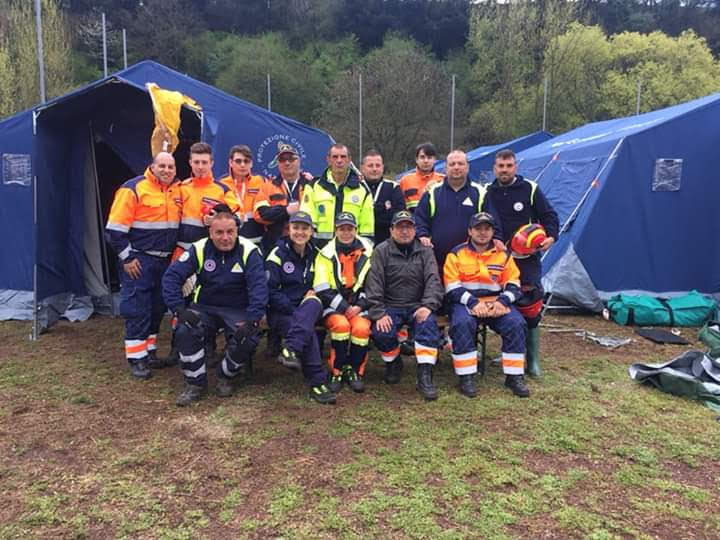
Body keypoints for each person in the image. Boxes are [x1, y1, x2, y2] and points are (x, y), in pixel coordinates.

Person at [162, 207, 268, 406]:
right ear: (210, 233)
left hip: (237, 309)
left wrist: (253, 319)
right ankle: (196, 383)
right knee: (184, 330)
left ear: (237, 231)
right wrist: (179, 309)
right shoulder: (199, 248)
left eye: (230, 232)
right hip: (204, 307)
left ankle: (225, 375)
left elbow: (259, 288)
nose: (225, 237)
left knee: (249, 337)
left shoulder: (250, 251)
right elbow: (171, 277)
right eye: (219, 232)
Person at [106, 152, 181, 379]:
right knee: (137, 308)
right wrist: (127, 258)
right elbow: (115, 229)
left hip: (165, 260)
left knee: (157, 307)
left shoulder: (177, 191)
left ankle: (149, 353)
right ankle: (136, 359)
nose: (166, 170)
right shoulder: (133, 189)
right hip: (140, 259)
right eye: (162, 166)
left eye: (170, 166)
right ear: (152, 166)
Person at [486, 149, 559, 377]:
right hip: (499, 260)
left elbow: (549, 216)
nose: (504, 170)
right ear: (494, 169)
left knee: (531, 306)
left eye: (508, 165)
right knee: (506, 305)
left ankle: (533, 360)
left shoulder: (529, 188)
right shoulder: (488, 192)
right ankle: (511, 351)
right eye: (500, 166)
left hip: (527, 261)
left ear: (515, 167)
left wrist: (551, 237)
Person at [444, 212, 530, 398]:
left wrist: (503, 301)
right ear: (470, 231)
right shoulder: (456, 253)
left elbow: (514, 283)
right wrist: (473, 302)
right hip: (465, 302)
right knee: (462, 324)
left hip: (496, 302)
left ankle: (514, 377)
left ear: (492, 232)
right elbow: (451, 286)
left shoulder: (503, 254)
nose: (482, 233)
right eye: (478, 228)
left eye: (487, 229)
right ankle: (466, 376)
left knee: (516, 323)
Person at [365, 210, 444, 400]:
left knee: (428, 327)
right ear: (391, 230)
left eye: (408, 227)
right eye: (400, 227)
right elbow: (373, 284)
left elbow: (434, 281)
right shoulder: (381, 251)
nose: (404, 231)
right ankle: (394, 362)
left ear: (415, 230)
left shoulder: (425, 251)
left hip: (418, 305)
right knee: (381, 332)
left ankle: (425, 375)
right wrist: (378, 312)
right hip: (391, 305)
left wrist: (428, 306)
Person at [265, 211, 335, 404]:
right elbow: (270, 291)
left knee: (313, 302)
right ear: (289, 229)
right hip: (283, 311)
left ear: (312, 231)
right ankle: (317, 383)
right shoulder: (277, 254)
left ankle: (291, 348)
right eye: (296, 228)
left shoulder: (318, 254)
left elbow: (324, 282)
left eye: (305, 228)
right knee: (308, 332)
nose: (300, 232)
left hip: (310, 308)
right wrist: (294, 312)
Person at [313, 212, 373, 393]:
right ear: (335, 231)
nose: (346, 233)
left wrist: (359, 306)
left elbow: (374, 286)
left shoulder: (369, 252)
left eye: (349, 228)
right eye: (341, 229)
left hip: (359, 305)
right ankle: (336, 371)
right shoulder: (324, 254)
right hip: (333, 305)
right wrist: (345, 308)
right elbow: (322, 287)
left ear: (356, 230)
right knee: (340, 326)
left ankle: (355, 370)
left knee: (362, 329)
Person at [415, 149, 504, 270]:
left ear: (467, 167)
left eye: (460, 164)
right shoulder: (432, 192)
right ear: (445, 168)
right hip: (437, 262)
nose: (456, 167)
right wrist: (422, 235)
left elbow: (493, 221)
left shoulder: (480, 193)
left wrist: (497, 238)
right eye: (452, 164)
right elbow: (420, 218)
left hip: (472, 263)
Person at [300, 143, 374, 246]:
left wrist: (363, 252)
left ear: (349, 160)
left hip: (352, 252)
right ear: (328, 160)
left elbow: (367, 229)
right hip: (319, 250)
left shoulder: (362, 190)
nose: (339, 161)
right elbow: (306, 221)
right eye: (335, 157)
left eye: (343, 157)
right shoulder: (313, 187)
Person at [176, 142, 240, 254]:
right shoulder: (181, 188)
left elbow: (240, 218)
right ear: (190, 163)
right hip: (182, 251)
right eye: (196, 162)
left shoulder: (223, 190)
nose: (200, 167)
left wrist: (218, 219)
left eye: (204, 162)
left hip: (210, 253)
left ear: (211, 163)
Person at [253, 142, 314, 254]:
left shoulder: (311, 185)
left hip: (306, 245)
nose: (287, 163)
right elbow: (260, 214)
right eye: (282, 159)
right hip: (275, 245)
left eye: (291, 159)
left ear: (299, 161)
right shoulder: (267, 187)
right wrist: (286, 210)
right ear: (278, 163)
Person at [218, 144, 266, 248]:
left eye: (246, 161)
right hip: (231, 242)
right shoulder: (221, 184)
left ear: (251, 164)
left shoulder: (261, 181)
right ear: (231, 162)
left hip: (257, 242)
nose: (243, 165)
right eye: (238, 161)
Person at [360, 149, 405, 245]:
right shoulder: (355, 188)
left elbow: (398, 217)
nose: (374, 169)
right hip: (360, 245)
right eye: (370, 166)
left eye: (378, 165)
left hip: (388, 245)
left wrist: (372, 213)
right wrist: (383, 210)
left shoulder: (393, 187)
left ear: (383, 167)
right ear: (362, 168)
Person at [399, 142, 445, 212]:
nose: (426, 161)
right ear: (416, 159)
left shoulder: (443, 180)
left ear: (434, 160)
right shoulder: (405, 181)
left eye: (429, 158)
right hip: (413, 221)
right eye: (422, 157)